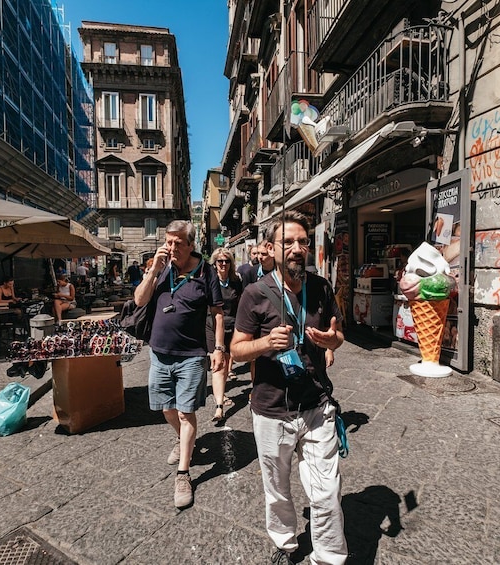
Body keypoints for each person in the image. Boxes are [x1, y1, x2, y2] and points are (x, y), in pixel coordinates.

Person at [230, 211, 347, 565]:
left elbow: (339, 335)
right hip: (271, 408)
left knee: (327, 492)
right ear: (271, 248)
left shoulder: (321, 287)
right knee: (277, 489)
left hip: (316, 404)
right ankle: (284, 543)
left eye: (303, 242)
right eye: (288, 242)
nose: (297, 248)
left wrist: (331, 341)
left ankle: (328, 557)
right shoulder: (254, 293)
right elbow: (236, 349)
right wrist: (265, 344)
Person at [134, 219, 225, 510]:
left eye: (177, 243)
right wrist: (152, 272)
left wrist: (219, 348)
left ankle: (183, 474)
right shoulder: (161, 268)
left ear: (190, 245)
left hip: (192, 355)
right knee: (166, 408)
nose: (171, 248)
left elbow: (218, 313)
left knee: (186, 413)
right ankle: (183, 440)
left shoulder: (206, 271)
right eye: (168, 241)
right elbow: (139, 300)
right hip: (159, 353)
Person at [205, 247, 243, 423]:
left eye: (226, 261)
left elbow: (240, 304)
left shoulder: (236, 281)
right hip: (213, 327)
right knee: (218, 364)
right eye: (220, 261)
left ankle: (221, 392)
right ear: (215, 263)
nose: (223, 264)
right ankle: (219, 406)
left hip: (232, 326)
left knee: (227, 362)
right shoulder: (208, 281)